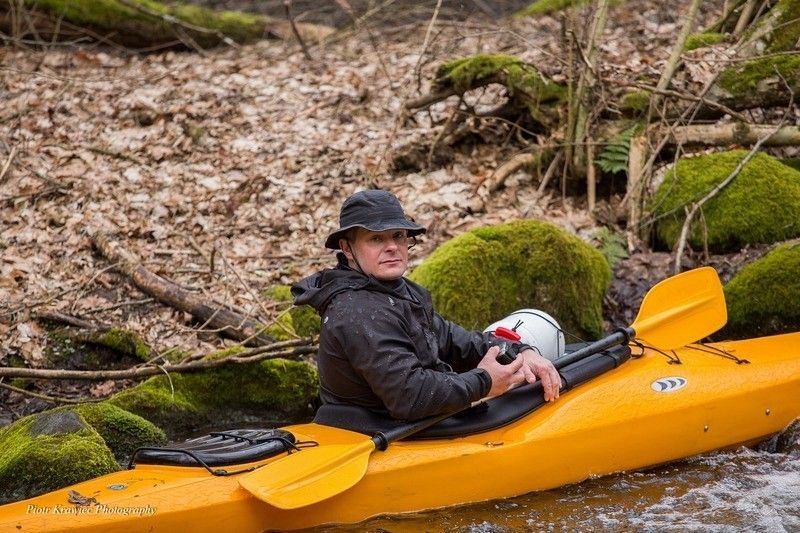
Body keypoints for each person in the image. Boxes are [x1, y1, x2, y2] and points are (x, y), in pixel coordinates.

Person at [292, 189, 561, 421]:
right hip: (380, 434)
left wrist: (521, 351)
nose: (392, 247)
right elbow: (410, 396)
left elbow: (459, 343)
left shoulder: (400, 291)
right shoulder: (356, 311)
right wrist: (485, 381)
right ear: (348, 249)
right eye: (376, 239)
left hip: (409, 422)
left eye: (398, 236)